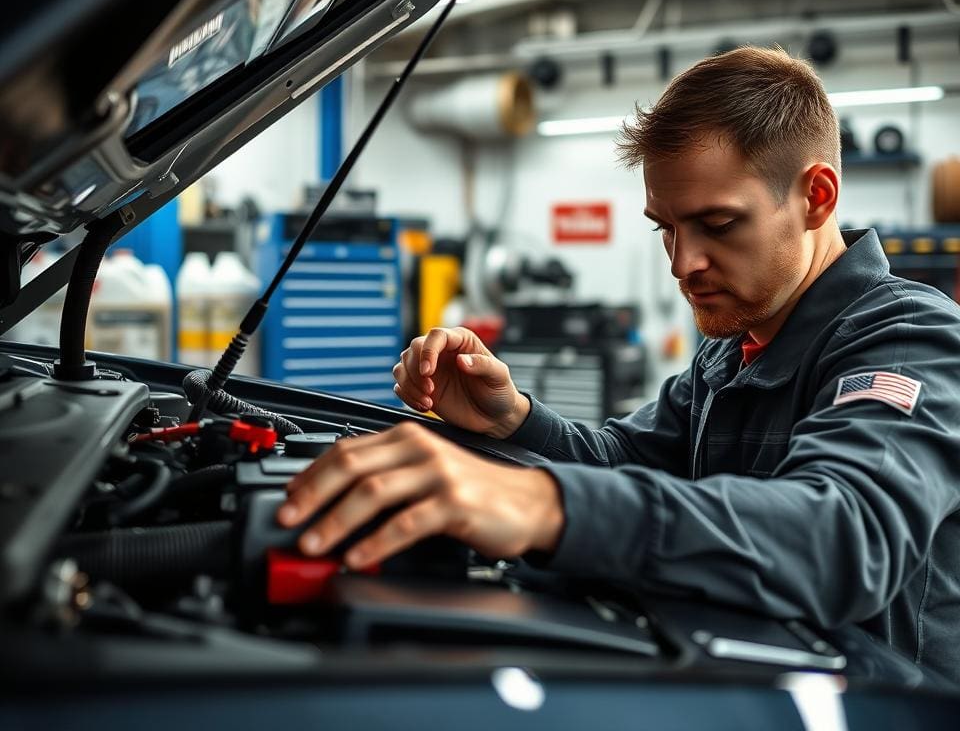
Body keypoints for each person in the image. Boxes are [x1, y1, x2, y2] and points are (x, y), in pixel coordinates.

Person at [277, 47, 960, 682]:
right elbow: (624, 459)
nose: (683, 264)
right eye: (666, 227)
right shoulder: (737, 345)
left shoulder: (907, 339)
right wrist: (514, 420)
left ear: (816, 196)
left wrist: (543, 504)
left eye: (718, 226)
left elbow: (844, 537)